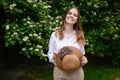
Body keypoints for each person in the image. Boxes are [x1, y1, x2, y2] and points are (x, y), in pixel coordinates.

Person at [47, 7, 88, 80]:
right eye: (69, 13)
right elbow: (50, 54)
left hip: (76, 73)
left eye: (75, 15)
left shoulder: (79, 36)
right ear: (66, 16)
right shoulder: (55, 35)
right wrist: (54, 55)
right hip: (60, 72)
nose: (71, 16)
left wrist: (83, 60)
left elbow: (82, 54)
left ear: (77, 20)